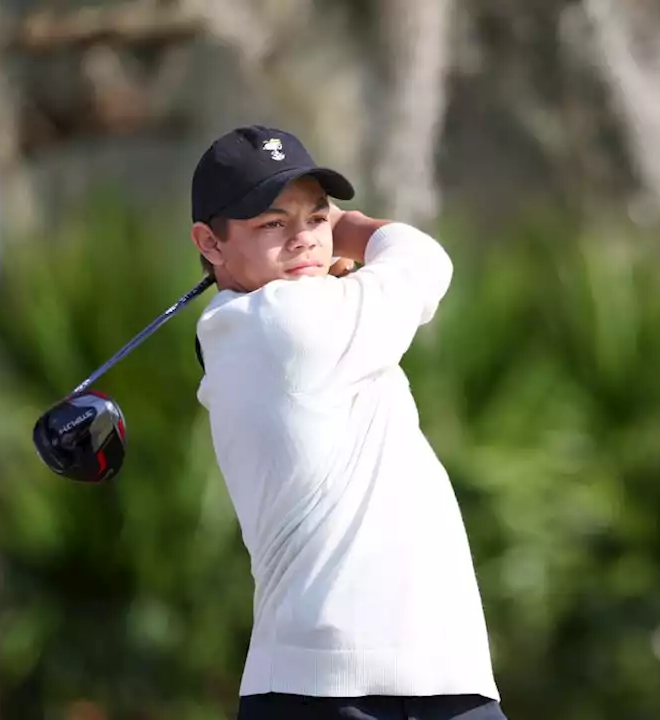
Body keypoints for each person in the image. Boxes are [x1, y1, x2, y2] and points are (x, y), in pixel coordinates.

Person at [188, 125, 506, 720]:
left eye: (316, 216)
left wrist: (321, 241)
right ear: (209, 242)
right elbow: (425, 260)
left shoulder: (254, 321)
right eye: (272, 223)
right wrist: (354, 226)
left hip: (434, 677)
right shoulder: (284, 321)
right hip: (329, 693)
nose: (304, 240)